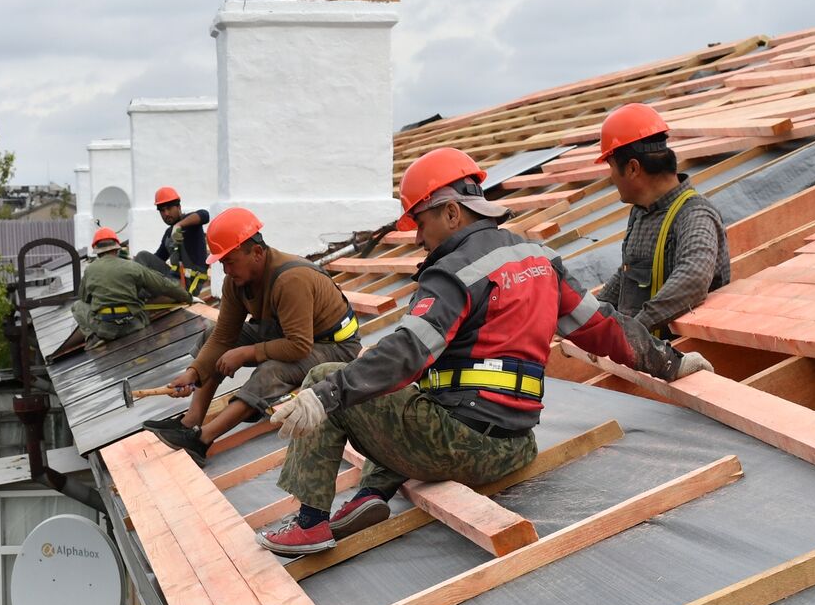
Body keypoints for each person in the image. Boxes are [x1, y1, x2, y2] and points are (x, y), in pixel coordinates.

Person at [257, 147, 715, 555]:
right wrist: (670, 363)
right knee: (402, 390)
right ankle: (370, 495)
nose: (418, 239)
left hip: (459, 449)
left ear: (452, 213)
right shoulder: (538, 258)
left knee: (332, 380)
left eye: (420, 222)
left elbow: (408, 351)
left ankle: (311, 525)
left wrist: (325, 394)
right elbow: (603, 328)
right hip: (515, 447)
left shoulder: (455, 272)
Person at [143, 207, 361, 467]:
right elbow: (223, 336)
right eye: (222, 262)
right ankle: (189, 423)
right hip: (291, 335)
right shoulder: (237, 281)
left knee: (271, 370)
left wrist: (247, 353)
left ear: (256, 253)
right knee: (210, 335)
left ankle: (201, 440)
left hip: (334, 346)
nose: (226, 270)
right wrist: (194, 371)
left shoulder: (291, 279)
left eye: (230, 261)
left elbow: (299, 346)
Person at [595, 102, 730, 338]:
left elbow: (693, 278)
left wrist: (632, 331)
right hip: (643, 358)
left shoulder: (694, 215)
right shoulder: (641, 213)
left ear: (633, 168)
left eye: (611, 167)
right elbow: (629, 272)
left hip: (682, 361)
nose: (611, 177)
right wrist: (591, 320)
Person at [71, 226, 193, 348]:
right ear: (117, 249)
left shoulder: (89, 270)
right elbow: (163, 285)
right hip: (134, 325)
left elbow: (84, 298)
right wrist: (188, 297)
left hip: (106, 330)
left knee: (77, 306)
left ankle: (93, 338)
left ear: (97, 251)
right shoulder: (132, 266)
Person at [134, 186, 211, 298]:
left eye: (169, 208)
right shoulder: (168, 234)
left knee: (143, 294)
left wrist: (179, 225)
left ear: (178, 207)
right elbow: (157, 258)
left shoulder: (191, 223)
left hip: (187, 284)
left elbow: (205, 215)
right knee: (143, 256)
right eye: (162, 210)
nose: (166, 213)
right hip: (172, 278)